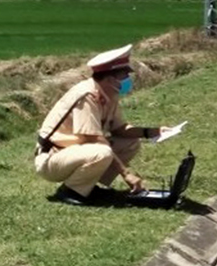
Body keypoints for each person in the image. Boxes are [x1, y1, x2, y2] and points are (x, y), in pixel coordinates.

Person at [34, 44, 165, 207]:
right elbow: (94, 138)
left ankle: (87, 185)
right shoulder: (87, 95)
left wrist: (152, 131)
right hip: (52, 159)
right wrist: (126, 173)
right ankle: (71, 191)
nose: (128, 79)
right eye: (124, 74)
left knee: (130, 144)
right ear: (110, 78)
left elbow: (120, 129)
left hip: (73, 153)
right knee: (102, 151)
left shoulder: (109, 93)